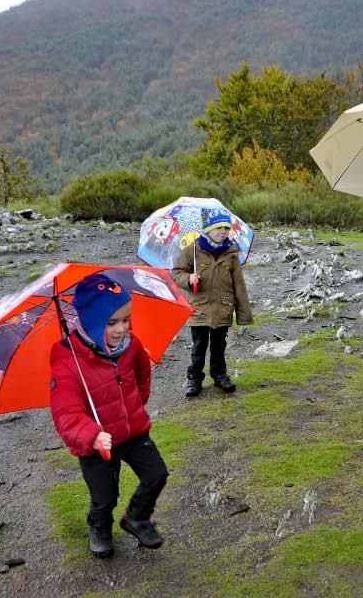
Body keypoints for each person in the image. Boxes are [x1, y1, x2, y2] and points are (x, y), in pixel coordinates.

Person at [49, 272, 169, 558]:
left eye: (126, 320)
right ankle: (99, 527)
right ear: (90, 321)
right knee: (105, 496)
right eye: (111, 322)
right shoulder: (68, 361)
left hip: (134, 432)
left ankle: (137, 517)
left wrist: (136, 405)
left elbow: (141, 374)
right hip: (98, 445)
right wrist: (91, 435)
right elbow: (65, 413)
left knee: (157, 474)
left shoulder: (132, 346)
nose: (121, 329)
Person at [171, 210, 254, 398]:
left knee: (219, 345)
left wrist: (243, 314)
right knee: (199, 346)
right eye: (218, 227)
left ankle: (219, 375)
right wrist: (188, 278)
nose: (223, 231)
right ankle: (194, 379)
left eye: (226, 228)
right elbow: (176, 273)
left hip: (223, 308)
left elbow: (239, 285)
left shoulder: (232, 253)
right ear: (208, 229)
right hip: (199, 307)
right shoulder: (192, 250)